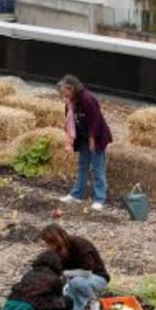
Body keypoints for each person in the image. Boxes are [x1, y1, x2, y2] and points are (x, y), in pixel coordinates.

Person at [56, 74, 112, 210]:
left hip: (96, 137)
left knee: (97, 168)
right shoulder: (70, 102)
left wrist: (92, 139)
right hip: (82, 137)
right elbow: (69, 122)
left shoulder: (88, 99)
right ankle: (77, 195)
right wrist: (70, 141)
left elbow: (95, 121)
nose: (63, 95)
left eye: (65, 92)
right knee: (82, 166)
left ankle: (100, 198)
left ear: (72, 88)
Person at [40, 223, 109, 310]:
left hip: (97, 277)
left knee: (76, 282)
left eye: (50, 242)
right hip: (73, 280)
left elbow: (87, 272)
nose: (49, 246)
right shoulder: (58, 250)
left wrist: (65, 273)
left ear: (58, 238)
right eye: (47, 243)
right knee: (69, 306)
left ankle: (94, 301)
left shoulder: (79, 244)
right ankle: (80, 308)